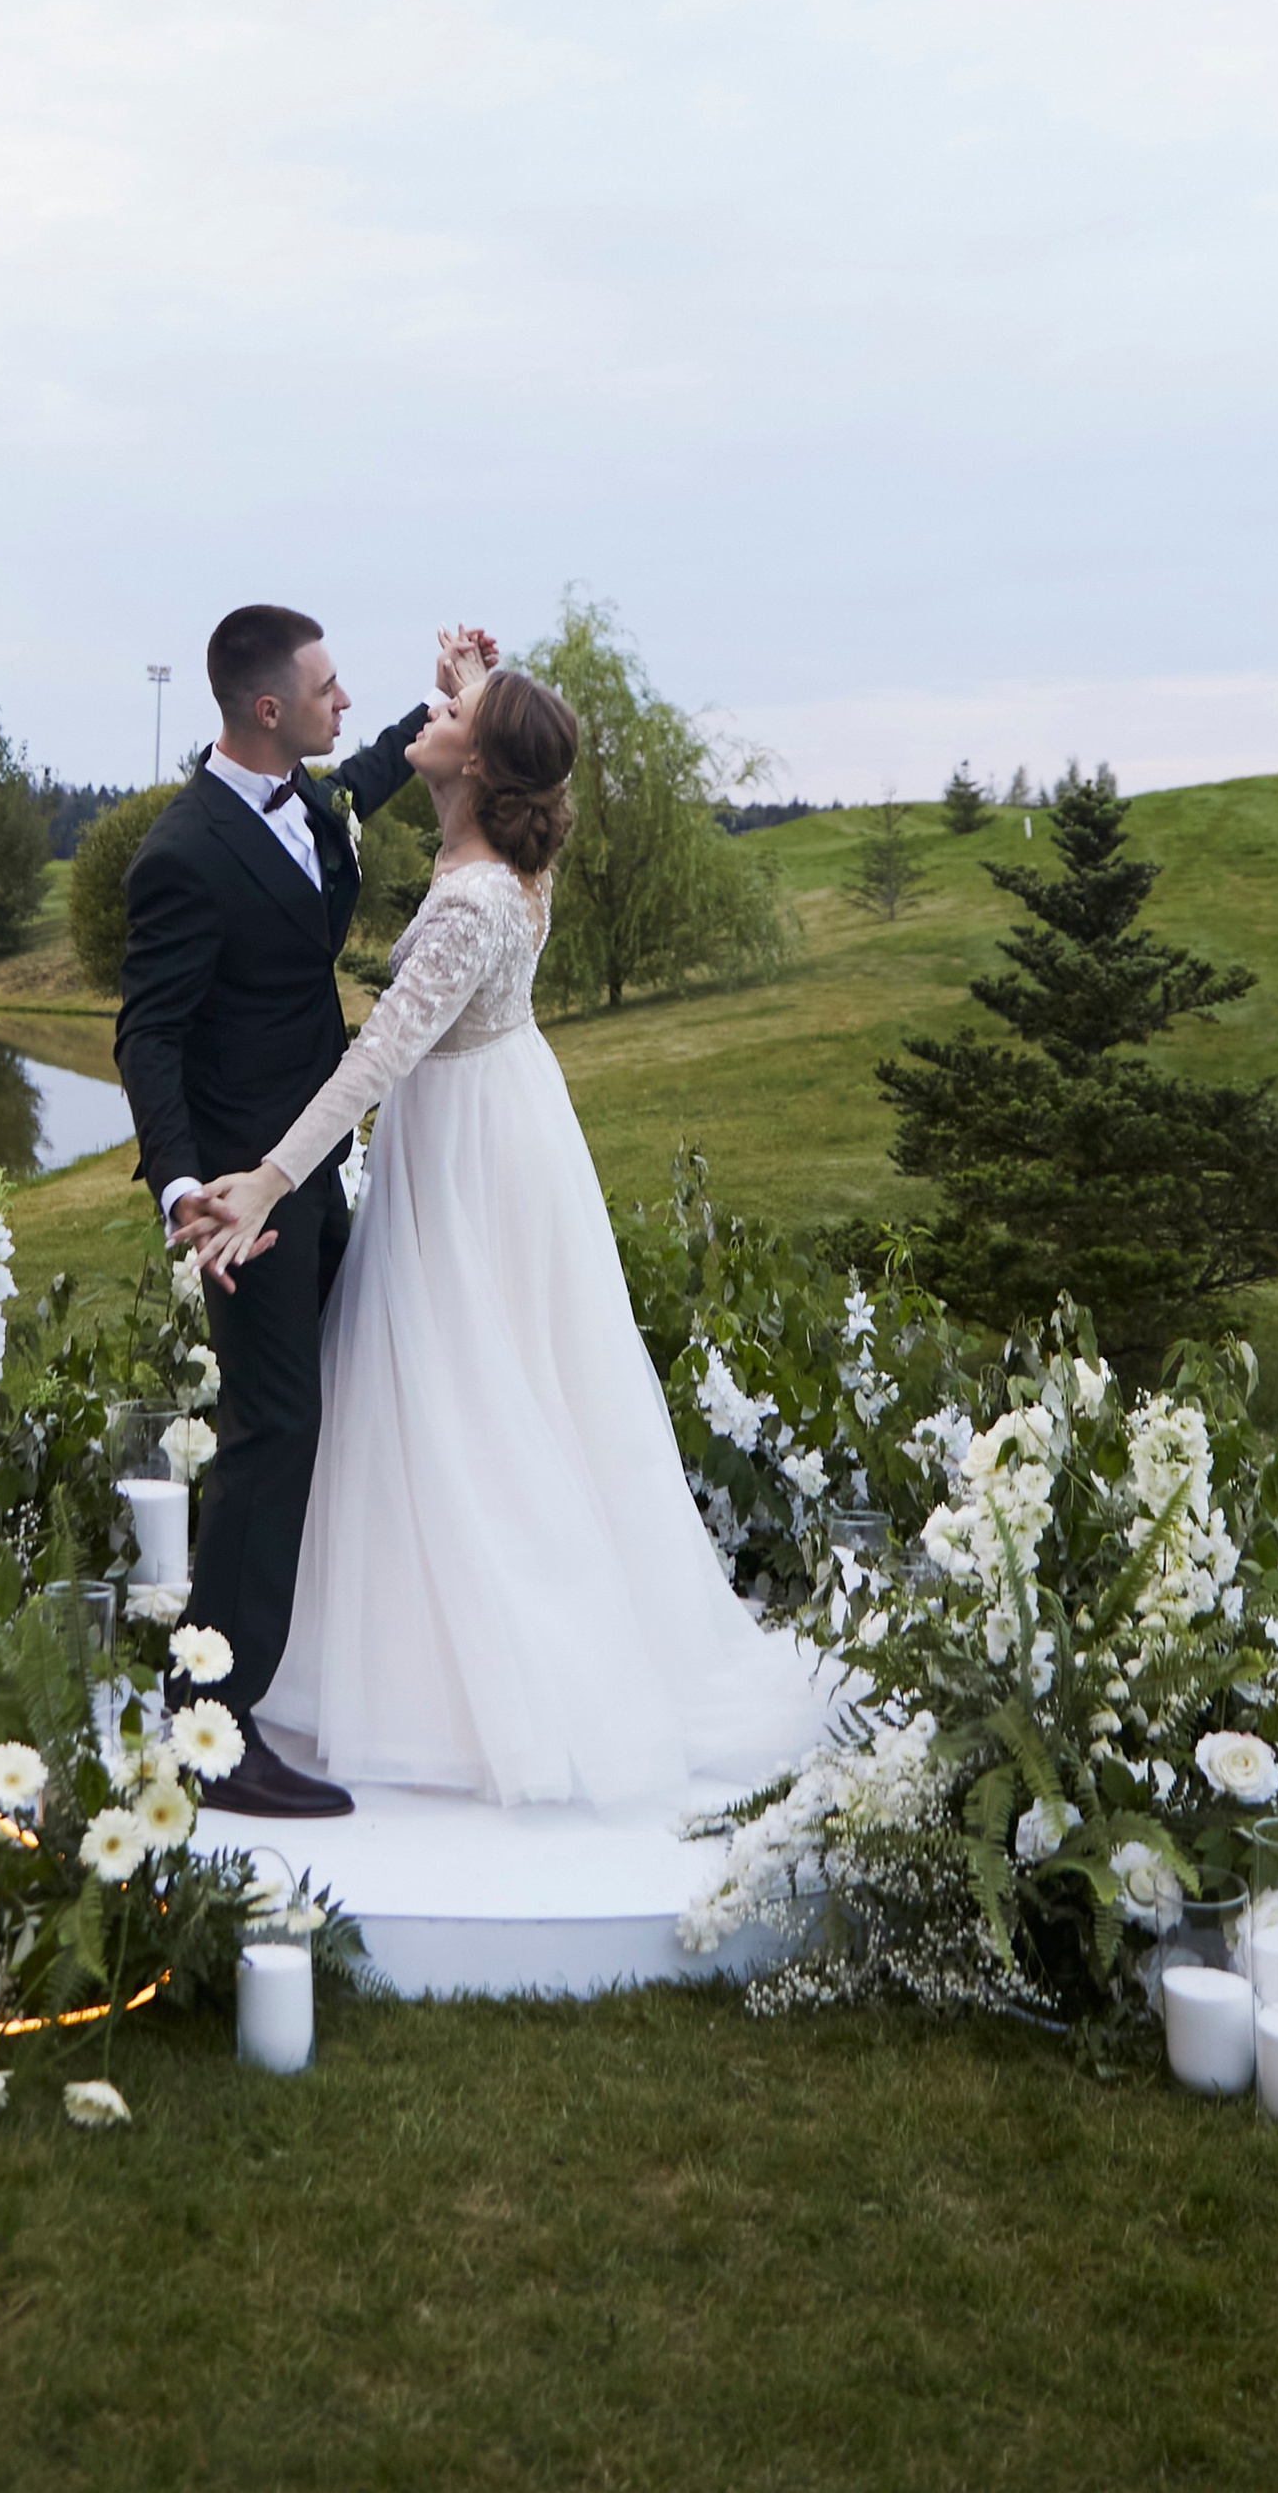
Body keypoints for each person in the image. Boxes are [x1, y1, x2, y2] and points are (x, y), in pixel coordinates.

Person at [189, 661, 826, 1816]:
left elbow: (374, 1060)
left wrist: (267, 1183)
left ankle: (494, 1674)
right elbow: (511, 742)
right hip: (498, 1124)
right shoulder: (508, 849)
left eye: (450, 717)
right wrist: (477, 679)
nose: (423, 719)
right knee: (505, 1384)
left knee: (471, 1395)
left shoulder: (479, 897)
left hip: (469, 1153)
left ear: (479, 765)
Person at [114, 602, 495, 1818]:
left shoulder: (306, 799)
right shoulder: (178, 854)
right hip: (248, 1196)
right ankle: (207, 1735)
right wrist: (186, 1191)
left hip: (318, 1168)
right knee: (271, 1434)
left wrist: (452, 697)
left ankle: (292, 1672)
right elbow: (148, 1035)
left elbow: (371, 774)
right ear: (268, 710)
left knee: (329, 1417)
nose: (345, 704)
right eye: (327, 690)